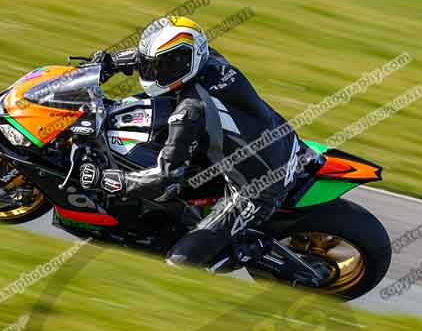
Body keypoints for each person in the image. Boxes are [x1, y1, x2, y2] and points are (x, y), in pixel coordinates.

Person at [79, 16, 316, 268]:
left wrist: (109, 180)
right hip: (280, 136)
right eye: (151, 65)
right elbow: (158, 56)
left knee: (180, 262)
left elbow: (165, 179)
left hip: (258, 188)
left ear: (184, 63)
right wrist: (113, 62)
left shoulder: (190, 111)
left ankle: (244, 249)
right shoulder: (208, 58)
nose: (153, 72)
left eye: (160, 66)